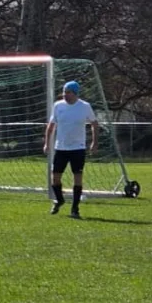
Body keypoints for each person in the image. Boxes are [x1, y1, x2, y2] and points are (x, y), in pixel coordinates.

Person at [44, 80, 98, 219]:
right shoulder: (58, 106)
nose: (65, 95)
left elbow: (94, 123)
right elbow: (51, 125)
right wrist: (47, 143)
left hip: (78, 148)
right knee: (55, 178)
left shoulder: (85, 106)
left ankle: (75, 209)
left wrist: (94, 142)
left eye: (68, 92)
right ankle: (60, 200)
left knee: (77, 178)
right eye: (64, 92)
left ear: (75, 93)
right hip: (61, 148)